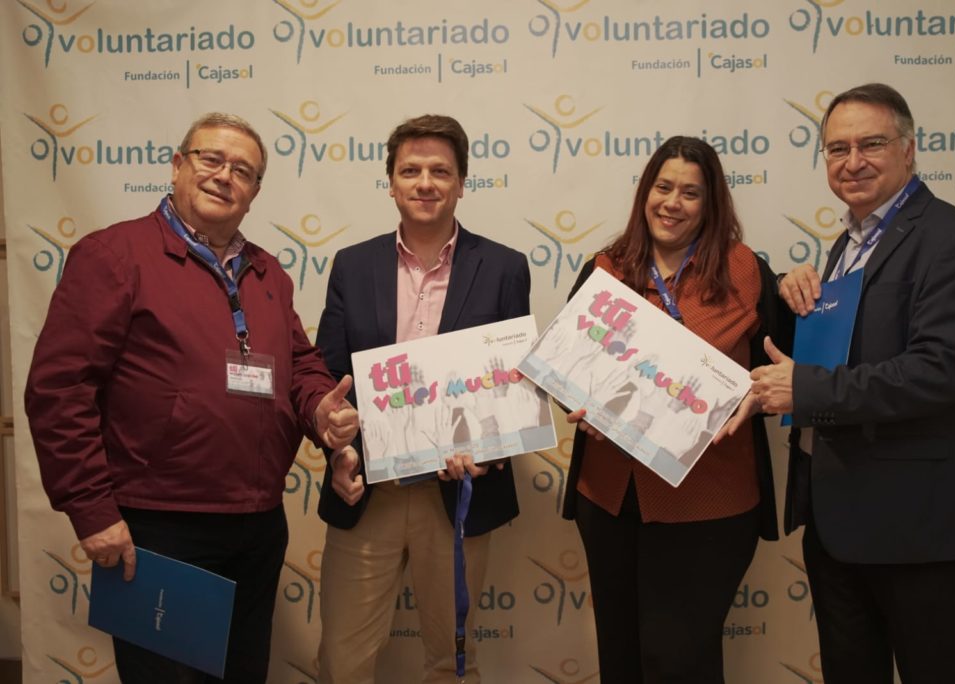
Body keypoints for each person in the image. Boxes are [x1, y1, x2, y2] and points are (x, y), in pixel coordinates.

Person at [24, 112, 359, 684]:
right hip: (160, 527)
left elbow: (297, 362)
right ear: (178, 166)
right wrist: (93, 510)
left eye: (243, 171)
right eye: (211, 159)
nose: (225, 176)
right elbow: (59, 390)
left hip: (256, 523)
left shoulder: (267, 272)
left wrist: (321, 408)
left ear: (254, 193)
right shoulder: (114, 255)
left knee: (241, 674)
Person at [751, 83, 955, 684]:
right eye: (837, 149)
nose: (852, 161)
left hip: (915, 526)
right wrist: (792, 294)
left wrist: (804, 391)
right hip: (838, 523)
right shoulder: (845, 247)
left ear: (909, 150)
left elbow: (936, 372)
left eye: (871, 144)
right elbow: (852, 347)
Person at [561, 135, 791, 683]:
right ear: (645, 193)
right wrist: (577, 402)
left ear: (710, 203)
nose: (673, 202)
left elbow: (786, 368)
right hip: (612, 498)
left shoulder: (745, 272)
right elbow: (564, 366)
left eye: (690, 192)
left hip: (708, 502)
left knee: (679, 662)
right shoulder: (606, 268)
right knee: (621, 657)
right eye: (663, 187)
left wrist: (757, 397)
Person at [314, 114, 530, 683]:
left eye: (441, 170)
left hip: (458, 492)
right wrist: (336, 447)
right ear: (390, 182)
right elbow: (325, 379)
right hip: (368, 491)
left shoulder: (506, 267)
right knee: (342, 660)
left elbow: (509, 382)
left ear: (462, 183)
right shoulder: (352, 265)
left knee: (451, 663)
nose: (425, 182)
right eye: (410, 170)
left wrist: (489, 448)